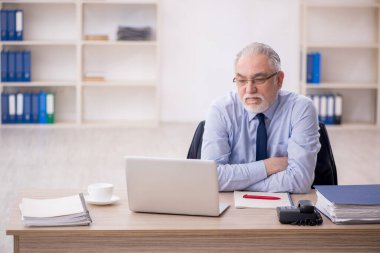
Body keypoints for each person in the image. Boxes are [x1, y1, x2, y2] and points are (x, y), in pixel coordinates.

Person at [201, 42, 320, 193]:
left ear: (279, 80)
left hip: (286, 206)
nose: (249, 89)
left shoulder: (301, 108)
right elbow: (211, 178)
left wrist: (234, 183)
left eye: (259, 79)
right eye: (242, 80)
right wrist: (269, 166)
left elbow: (299, 180)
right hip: (232, 208)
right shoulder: (221, 110)